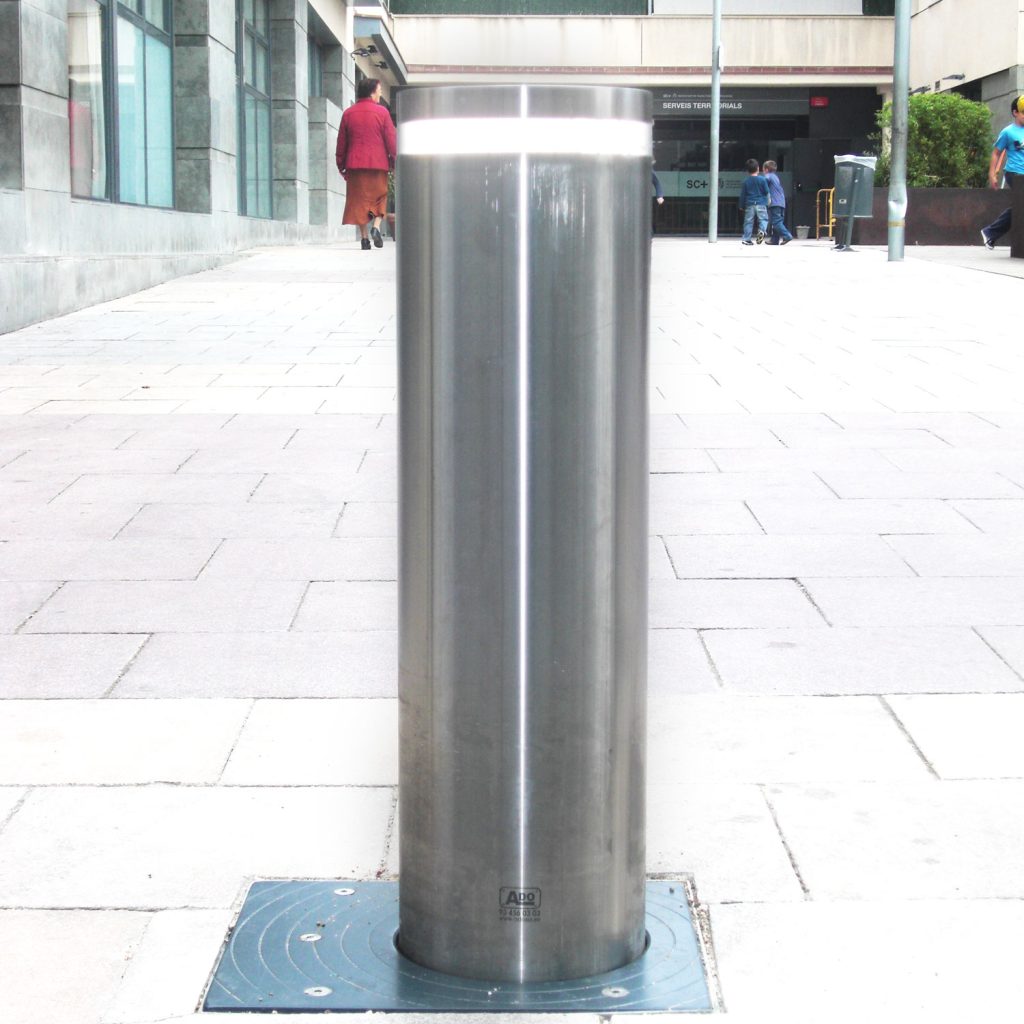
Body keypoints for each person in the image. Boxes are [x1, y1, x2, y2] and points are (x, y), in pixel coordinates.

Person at [336, 78, 397, 251]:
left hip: (355, 164)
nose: (381, 93)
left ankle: (364, 239)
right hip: (378, 163)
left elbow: (342, 142)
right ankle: (376, 227)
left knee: (358, 202)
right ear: (372, 92)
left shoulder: (348, 113)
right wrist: (394, 159)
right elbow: (391, 140)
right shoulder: (382, 113)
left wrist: (341, 163)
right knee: (380, 198)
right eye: (379, 90)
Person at [980, 96, 1024, 250]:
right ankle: (990, 232)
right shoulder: (1008, 132)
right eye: (1023, 113)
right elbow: (997, 153)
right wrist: (992, 174)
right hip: (1014, 173)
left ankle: (990, 233)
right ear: (1015, 113)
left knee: (1020, 206)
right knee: (1021, 204)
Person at [737, 158, 769, 245]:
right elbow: (767, 191)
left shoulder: (746, 181)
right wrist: (768, 201)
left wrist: (741, 205)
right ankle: (761, 230)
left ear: (747, 170)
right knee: (763, 219)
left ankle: (746, 238)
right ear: (758, 168)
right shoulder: (762, 180)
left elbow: (743, 195)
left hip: (750, 204)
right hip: (761, 203)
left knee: (748, 222)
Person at [762, 159, 793, 245]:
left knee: (776, 222)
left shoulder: (768, 176)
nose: (763, 172)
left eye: (763, 170)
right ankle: (774, 240)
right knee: (776, 221)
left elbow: (763, 182)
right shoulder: (775, 177)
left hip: (775, 203)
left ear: (766, 170)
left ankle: (787, 236)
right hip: (781, 202)